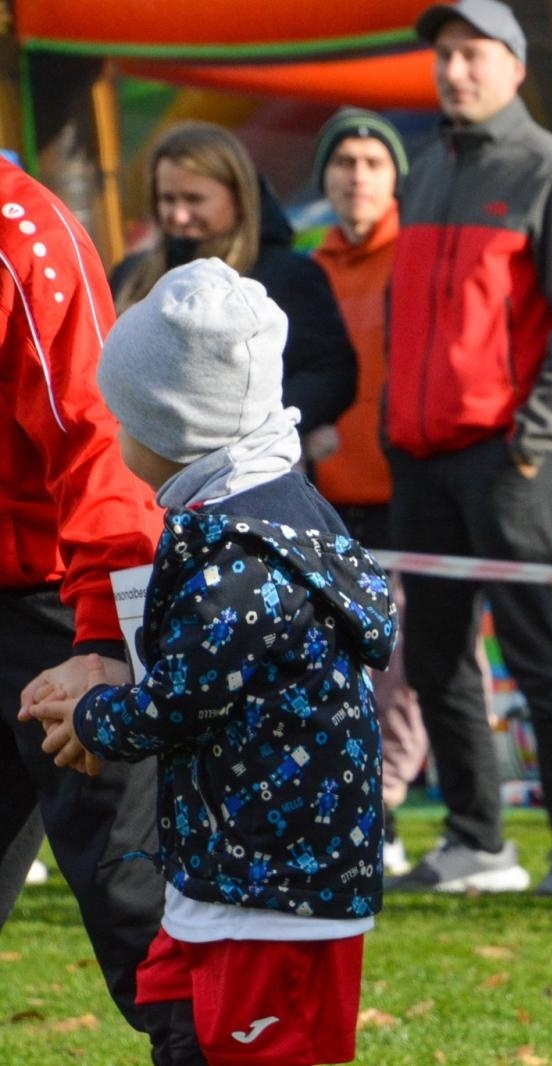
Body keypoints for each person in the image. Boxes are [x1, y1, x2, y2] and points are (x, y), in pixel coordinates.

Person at [22, 258, 396, 1066]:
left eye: (124, 420)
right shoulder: (263, 514)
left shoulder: (240, 556)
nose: (113, 437)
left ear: (175, 427)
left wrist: (92, 716)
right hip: (228, 858)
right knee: (178, 1013)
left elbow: (182, 701)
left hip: (274, 880)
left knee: (248, 1049)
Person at [387, 0, 552, 896]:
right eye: (444, 54)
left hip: (510, 458)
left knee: (539, 652)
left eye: (473, 52)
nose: (454, 70)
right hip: (421, 457)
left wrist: (535, 443)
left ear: (514, 65)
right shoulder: (426, 167)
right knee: (434, 657)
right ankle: (477, 841)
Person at [0, 156, 192, 1059]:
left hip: (55, 614)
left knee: (138, 915)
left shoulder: (22, 234)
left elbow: (96, 441)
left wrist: (106, 641)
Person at [307, 107, 429, 877]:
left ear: (395, 179)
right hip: (318, 499)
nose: (357, 174)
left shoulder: (415, 260)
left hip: (408, 494)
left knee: (402, 668)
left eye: (373, 161)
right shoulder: (300, 270)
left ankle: (382, 806)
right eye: (343, 160)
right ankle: (341, 805)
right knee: (326, 665)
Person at [111, 121, 357, 443]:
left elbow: (330, 373)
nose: (179, 215)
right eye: (168, 200)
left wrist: (253, 430)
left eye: (194, 199)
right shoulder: (131, 277)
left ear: (239, 197)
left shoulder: (285, 277)